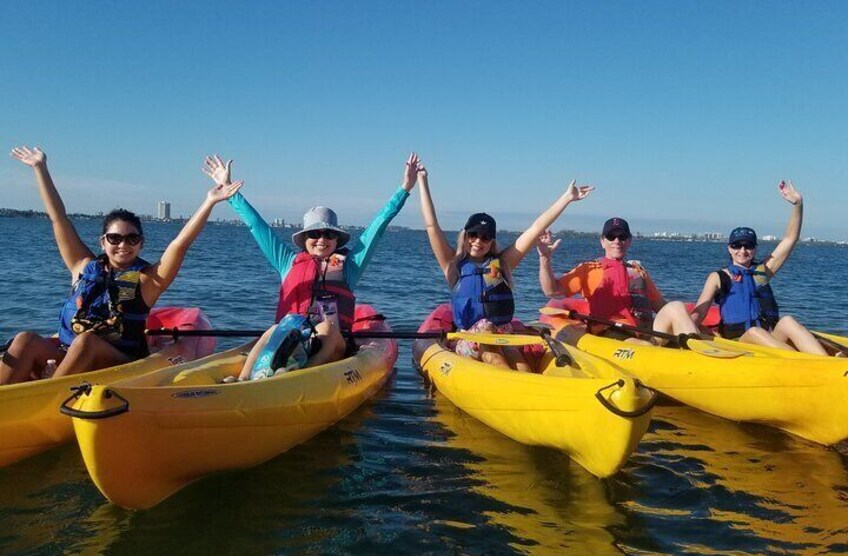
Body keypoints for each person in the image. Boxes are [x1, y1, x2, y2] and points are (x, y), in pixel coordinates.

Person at [1, 146, 241, 385]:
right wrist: (40, 168)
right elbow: (58, 218)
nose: (123, 245)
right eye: (114, 238)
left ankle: (48, 392)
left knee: (87, 341)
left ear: (141, 243)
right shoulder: (82, 266)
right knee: (24, 340)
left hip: (119, 364)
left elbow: (180, 244)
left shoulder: (148, 281)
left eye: (132, 239)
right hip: (67, 356)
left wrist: (210, 201)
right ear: (103, 241)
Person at [203, 154, 418, 381]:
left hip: (331, 345)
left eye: (329, 234)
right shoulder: (287, 261)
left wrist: (404, 189)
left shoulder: (349, 266)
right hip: (293, 337)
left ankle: (297, 378)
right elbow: (257, 226)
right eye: (314, 234)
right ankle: (244, 380)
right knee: (272, 330)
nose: (321, 239)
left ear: (337, 240)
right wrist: (230, 192)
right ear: (304, 238)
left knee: (327, 329)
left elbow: (378, 226)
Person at [416, 159, 593, 372]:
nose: (478, 241)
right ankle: (513, 387)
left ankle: (531, 387)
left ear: (491, 241)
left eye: (485, 237)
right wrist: (422, 182)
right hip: (468, 339)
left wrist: (566, 198)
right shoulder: (453, 266)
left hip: (504, 337)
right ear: (465, 236)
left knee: (519, 361)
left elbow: (536, 227)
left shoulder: (501, 264)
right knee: (493, 354)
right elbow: (431, 225)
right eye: (473, 235)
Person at [690, 181, 827, 355]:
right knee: (755, 332)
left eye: (748, 246)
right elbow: (699, 313)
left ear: (755, 249)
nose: (742, 251)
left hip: (770, 339)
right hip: (738, 343)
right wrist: (694, 329)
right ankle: (808, 362)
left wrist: (798, 204)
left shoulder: (762, 271)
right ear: (729, 248)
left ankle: (829, 364)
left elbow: (790, 239)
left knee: (787, 321)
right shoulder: (718, 277)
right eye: (737, 246)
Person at [538, 216, 699, 345]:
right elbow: (552, 291)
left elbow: (661, 306)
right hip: (613, 336)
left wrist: (688, 320)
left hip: (647, 332)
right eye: (611, 236)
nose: (617, 241)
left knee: (676, 307)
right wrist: (545, 259)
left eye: (622, 237)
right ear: (602, 241)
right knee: (645, 347)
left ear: (629, 241)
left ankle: (701, 352)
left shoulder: (637, 271)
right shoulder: (588, 269)